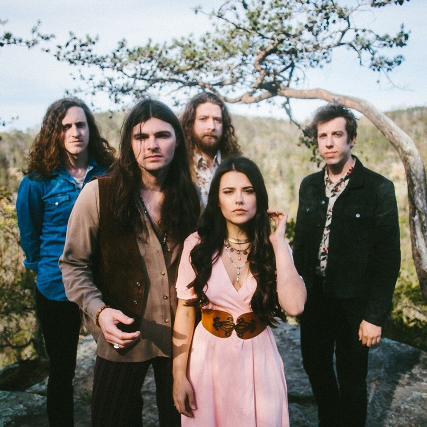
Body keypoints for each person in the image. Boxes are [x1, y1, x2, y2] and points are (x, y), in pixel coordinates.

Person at [59, 98, 200, 427]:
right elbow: (73, 264)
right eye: (141, 137)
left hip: (183, 339)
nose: (152, 145)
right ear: (128, 143)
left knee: (183, 421)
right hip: (121, 335)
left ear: (177, 141)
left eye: (162, 135)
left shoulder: (192, 198)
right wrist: (99, 311)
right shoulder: (97, 194)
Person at [172, 156, 307, 426]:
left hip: (259, 360)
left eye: (248, 191)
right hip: (207, 360)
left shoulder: (273, 247)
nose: (239, 200)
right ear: (217, 199)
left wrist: (279, 242)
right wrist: (178, 375)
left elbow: (295, 306)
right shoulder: (197, 245)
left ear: (259, 197)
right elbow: (185, 312)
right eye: (229, 191)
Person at [293, 103, 401, 427]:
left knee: (352, 378)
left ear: (351, 138)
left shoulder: (378, 188)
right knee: (315, 367)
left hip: (354, 303)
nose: (329, 142)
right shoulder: (309, 186)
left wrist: (374, 316)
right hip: (315, 300)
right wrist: (295, 294)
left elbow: (388, 257)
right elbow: (301, 245)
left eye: (336, 134)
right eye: (322, 136)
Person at [16, 98, 116, 427]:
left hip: (103, 287)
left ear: (90, 129)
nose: (75, 132)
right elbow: (30, 237)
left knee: (117, 365)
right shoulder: (37, 181)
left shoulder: (108, 174)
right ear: (54, 133)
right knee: (62, 371)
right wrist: (45, 268)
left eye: (80, 124)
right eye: (66, 127)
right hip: (55, 288)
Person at [180, 92, 242, 206]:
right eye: (203, 119)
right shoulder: (178, 165)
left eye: (217, 120)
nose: (211, 127)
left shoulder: (237, 165)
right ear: (191, 124)